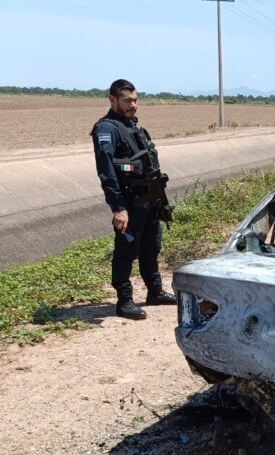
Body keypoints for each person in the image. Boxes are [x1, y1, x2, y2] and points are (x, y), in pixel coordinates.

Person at [91, 78, 176, 320]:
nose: (133, 105)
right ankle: (124, 300)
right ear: (112, 100)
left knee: (152, 247)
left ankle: (155, 291)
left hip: (148, 200)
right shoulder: (106, 129)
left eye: (135, 100)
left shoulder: (132, 127)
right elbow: (107, 172)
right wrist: (118, 208)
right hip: (129, 202)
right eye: (127, 100)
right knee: (126, 250)